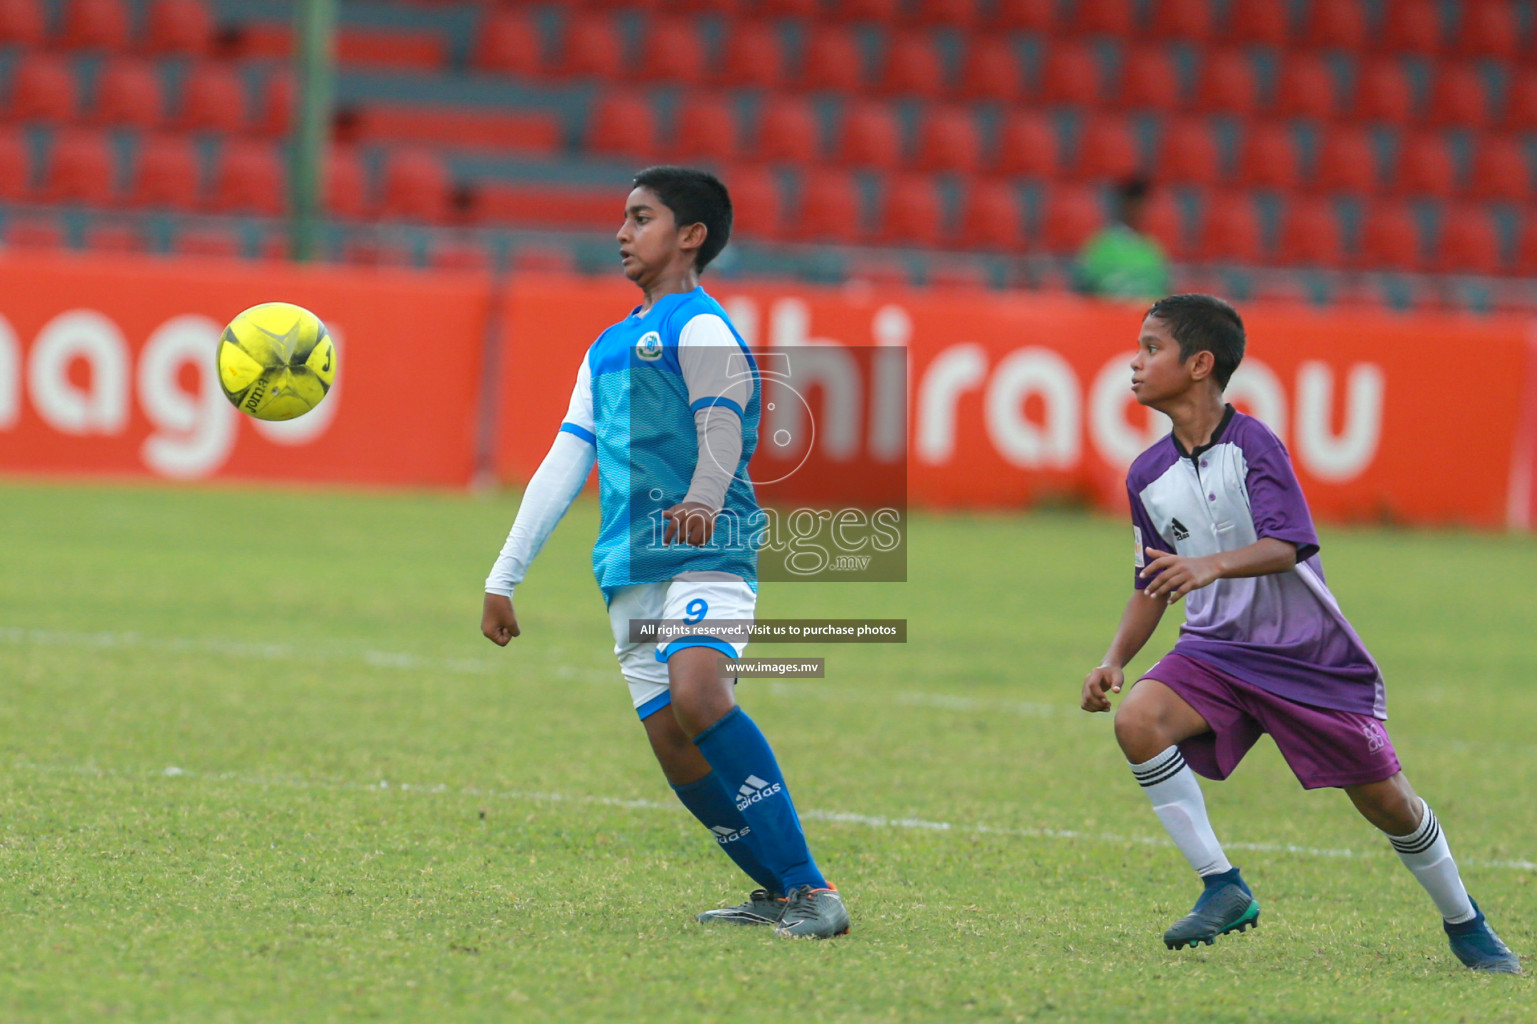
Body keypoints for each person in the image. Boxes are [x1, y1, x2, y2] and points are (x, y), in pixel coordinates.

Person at [1079, 293, 1519, 972]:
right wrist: (1113, 659)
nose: (1133, 364)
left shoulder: (1253, 443)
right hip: (1214, 651)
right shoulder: (1146, 474)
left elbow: (1288, 542)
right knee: (1137, 720)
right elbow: (1153, 580)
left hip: (1304, 656)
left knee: (1386, 802)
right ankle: (1222, 886)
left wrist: (1210, 564)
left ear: (1199, 364)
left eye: (1149, 348)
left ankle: (1464, 921)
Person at [481, 166, 849, 939]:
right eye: (622, 217)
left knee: (698, 691)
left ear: (690, 236)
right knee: (671, 744)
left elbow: (723, 421)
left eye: (640, 217)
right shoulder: (607, 347)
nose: (621, 232)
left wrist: (705, 498)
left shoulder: (701, 326)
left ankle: (814, 890)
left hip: (706, 549)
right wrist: (503, 574)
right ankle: (780, 892)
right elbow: (564, 462)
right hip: (627, 566)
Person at [1074, 176, 1170, 300]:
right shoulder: (1101, 245)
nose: (1141, 211)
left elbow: (1164, 288)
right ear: (1125, 205)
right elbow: (1084, 288)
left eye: (1145, 204)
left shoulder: (1153, 248)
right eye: (1136, 204)